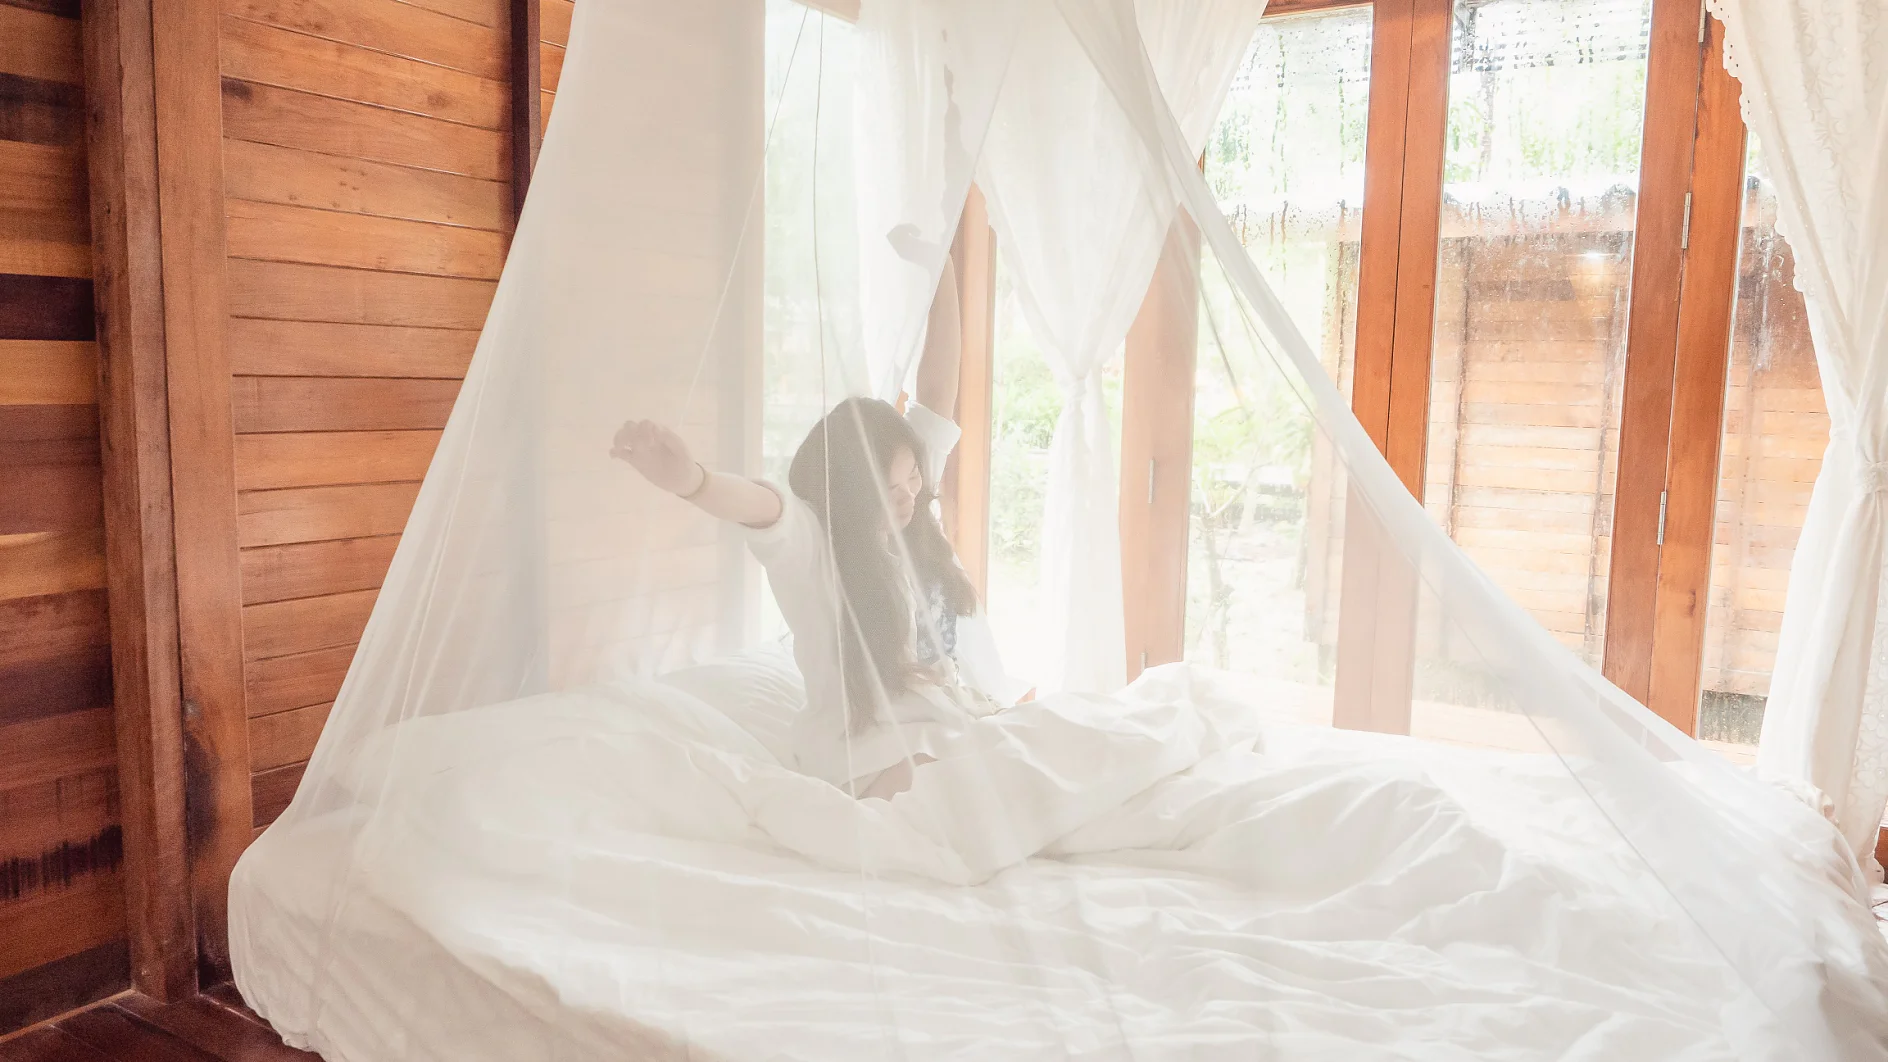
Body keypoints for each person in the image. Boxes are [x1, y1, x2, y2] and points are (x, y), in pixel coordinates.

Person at [612, 261, 1024, 800]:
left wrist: (943, 263)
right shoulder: (814, 545)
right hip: (869, 755)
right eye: (889, 489)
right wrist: (692, 480)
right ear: (851, 494)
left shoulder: (912, 508)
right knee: (982, 799)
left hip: (945, 728)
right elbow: (762, 508)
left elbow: (938, 388)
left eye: (913, 477)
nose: (908, 495)